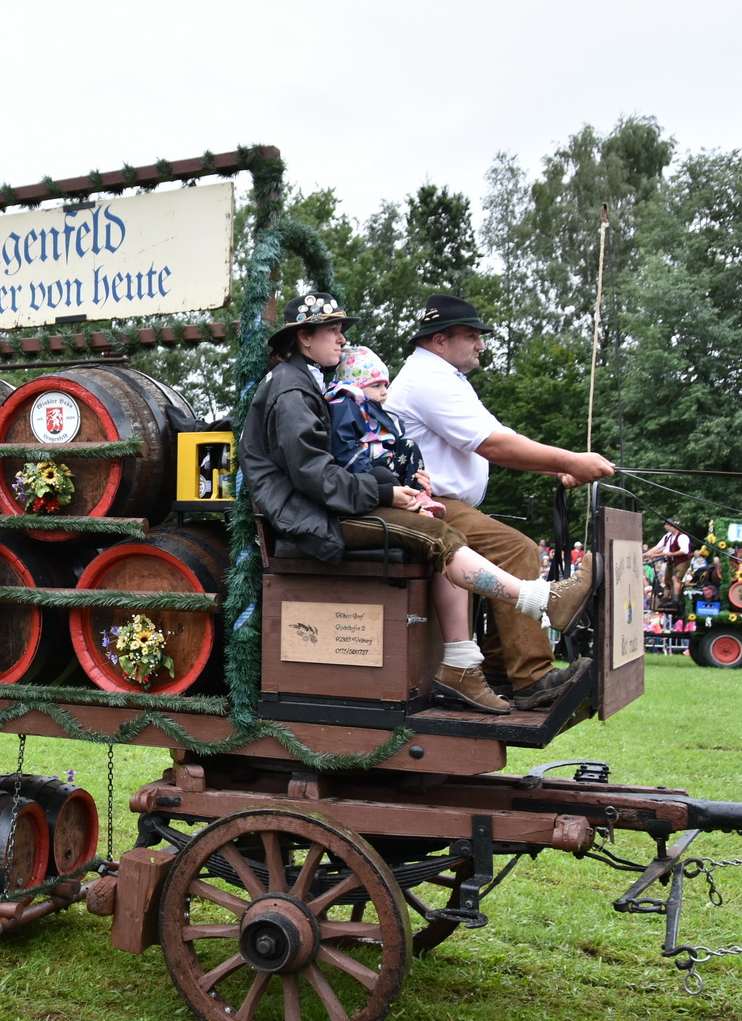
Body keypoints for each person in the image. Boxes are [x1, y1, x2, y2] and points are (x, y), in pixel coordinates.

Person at [240, 293, 596, 714]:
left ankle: (465, 665)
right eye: (333, 330)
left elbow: (339, 463)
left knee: (435, 524)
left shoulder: (305, 382)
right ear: (304, 338)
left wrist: (399, 483)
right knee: (435, 532)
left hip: (323, 509)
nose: (342, 339)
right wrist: (386, 492)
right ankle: (539, 605)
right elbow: (313, 475)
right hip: (310, 520)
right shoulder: (293, 389)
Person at [385, 294, 615, 709]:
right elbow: (493, 445)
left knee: (509, 549)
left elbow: (494, 438)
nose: (481, 344)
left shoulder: (440, 377)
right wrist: (572, 460)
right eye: (472, 335)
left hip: (444, 503)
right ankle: (532, 679)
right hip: (432, 504)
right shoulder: (428, 380)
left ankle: (497, 668)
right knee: (516, 549)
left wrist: (555, 469)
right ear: (439, 340)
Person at [325, 346, 446, 518]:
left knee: (408, 446)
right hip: (363, 473)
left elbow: (392, 444)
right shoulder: (345, 406)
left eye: (385, 385)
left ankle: (420, 494)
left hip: (381, 463)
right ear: (356, 386)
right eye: (375, 385)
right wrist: (368, 470)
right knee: (382, 472)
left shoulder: (374, 410)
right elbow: (343, 448)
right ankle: (412, 505)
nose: (384, 392)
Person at [643, 518, 690, 605]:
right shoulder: (670, 537)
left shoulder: (682, 537)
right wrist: (652, 555)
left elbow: (685, 551)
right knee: (667, 580)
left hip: (682, 561)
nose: (665, 527)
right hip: (672, 561)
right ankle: (665, 599)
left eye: (668, 525)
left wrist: (670, 554)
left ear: (673, 526)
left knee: (675, 578)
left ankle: (676, 600)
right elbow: (665, 551)